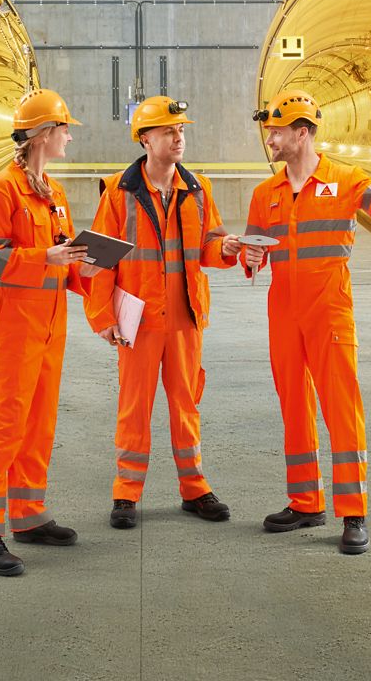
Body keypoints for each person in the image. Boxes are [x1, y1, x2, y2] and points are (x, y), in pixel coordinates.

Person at [240, 89, 371, 555]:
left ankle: (353, 511)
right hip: (283, 311)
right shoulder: (263, 194)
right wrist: (248, 258)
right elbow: (254, 255)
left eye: (278, 132)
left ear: (302, 133)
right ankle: (306, 501)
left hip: (329, 308)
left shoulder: (345, 180)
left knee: (340, 407)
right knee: (294, 406)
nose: (271, 139)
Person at [84, 96, 240, 531]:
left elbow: (209, 243)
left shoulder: (198, 188)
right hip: (140, 319)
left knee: (186, 402)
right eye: (170, 131)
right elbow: (98, 258)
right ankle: (126, 492)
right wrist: (102, 316)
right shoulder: (119, 191)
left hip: (185, 318)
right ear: (145, 139)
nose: (179, 138)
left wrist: (224, 250)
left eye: (182, 130)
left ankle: (194, 488)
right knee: (134, 406)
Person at [0, 88, 97, 577]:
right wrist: (43, 258)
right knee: (9, 423)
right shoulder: (4, 190)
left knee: (40, 420)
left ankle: (26, 514)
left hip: (51, 318)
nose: (68, 136)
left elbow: (64, 260)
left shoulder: (54, 194)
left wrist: (98, 276)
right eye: (64, 128)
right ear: (44, 135)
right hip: (18, 319)